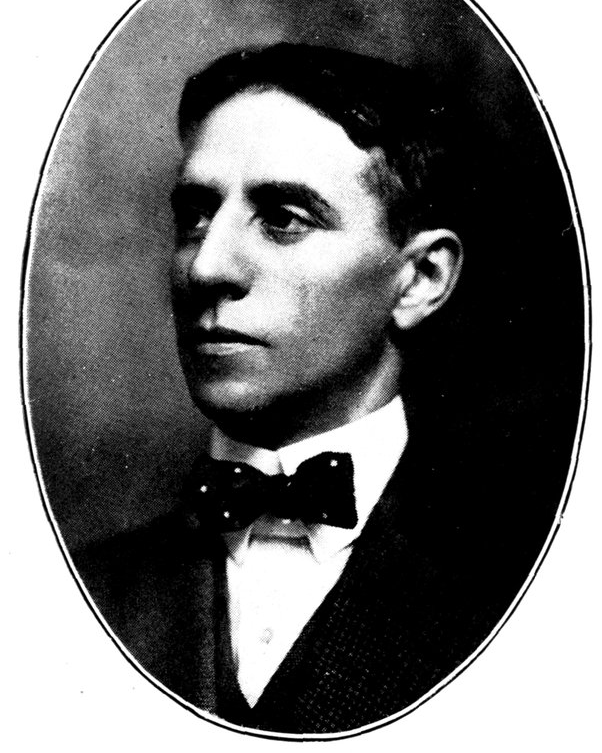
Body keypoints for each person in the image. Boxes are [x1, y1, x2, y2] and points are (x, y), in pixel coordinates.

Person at [76, 44, 518, 734]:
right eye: (195, 216)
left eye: (283, 219)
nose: (207, 267)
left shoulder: (531, 592)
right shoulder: (69, 595)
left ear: (420, 279)